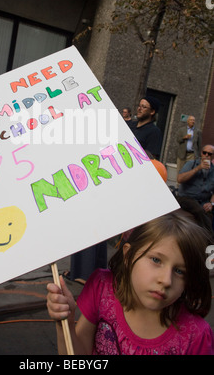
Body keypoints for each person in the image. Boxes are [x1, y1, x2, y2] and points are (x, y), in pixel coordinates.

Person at [47, 211, 214, 355]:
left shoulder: (196, 335)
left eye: (179, 271)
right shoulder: (102, 289)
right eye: (156, 260)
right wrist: (65, 325)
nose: (166, 280)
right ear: (128, 255)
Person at [177, 144, 214, 232]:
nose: (206, 156)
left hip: (203, 202)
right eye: (205, 153)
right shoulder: (191, 164)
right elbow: (180, 179)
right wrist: (198, 168)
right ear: (201, 153)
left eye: (209, 154)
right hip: (186, 199)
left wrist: (211, 204)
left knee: (208, 214)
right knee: (199, 212)